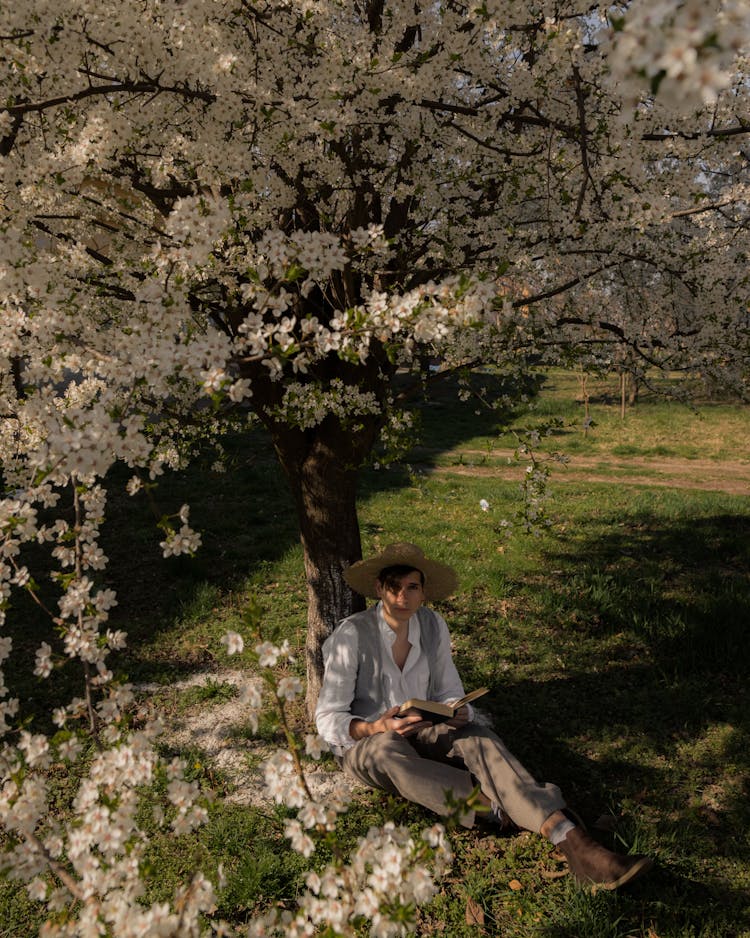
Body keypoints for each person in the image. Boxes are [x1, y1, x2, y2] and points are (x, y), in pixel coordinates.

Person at [315, 542, 653, 891]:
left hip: (426, 728)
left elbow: (448, 689)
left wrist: (457, 710)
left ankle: (576, 844)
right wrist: (375, 726)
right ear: (378, 589)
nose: (402, 596)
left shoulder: (432, 625)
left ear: (423, 592)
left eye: (412, 587)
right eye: (393, 587)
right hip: (368, 744)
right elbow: (327, 718)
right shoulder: (352, 635)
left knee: (479, 737)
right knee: (389, 753)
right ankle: (497, 809)